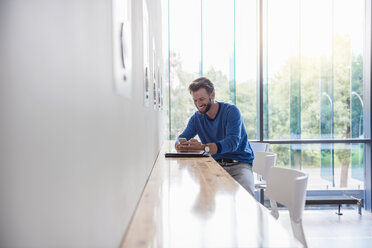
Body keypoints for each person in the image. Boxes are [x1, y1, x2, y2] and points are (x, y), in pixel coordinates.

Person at [175, 77, 255, 196]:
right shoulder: (196, 118)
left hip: (239, 165)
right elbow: (181, 138)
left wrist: (202, 147)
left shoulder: (231, 111)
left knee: (247, 198)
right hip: (215, 165)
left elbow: (232, 143)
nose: (198, 104)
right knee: (202, 194)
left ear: (212, 95)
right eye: (195, 100)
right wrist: (180, 145)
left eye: (201, 99)